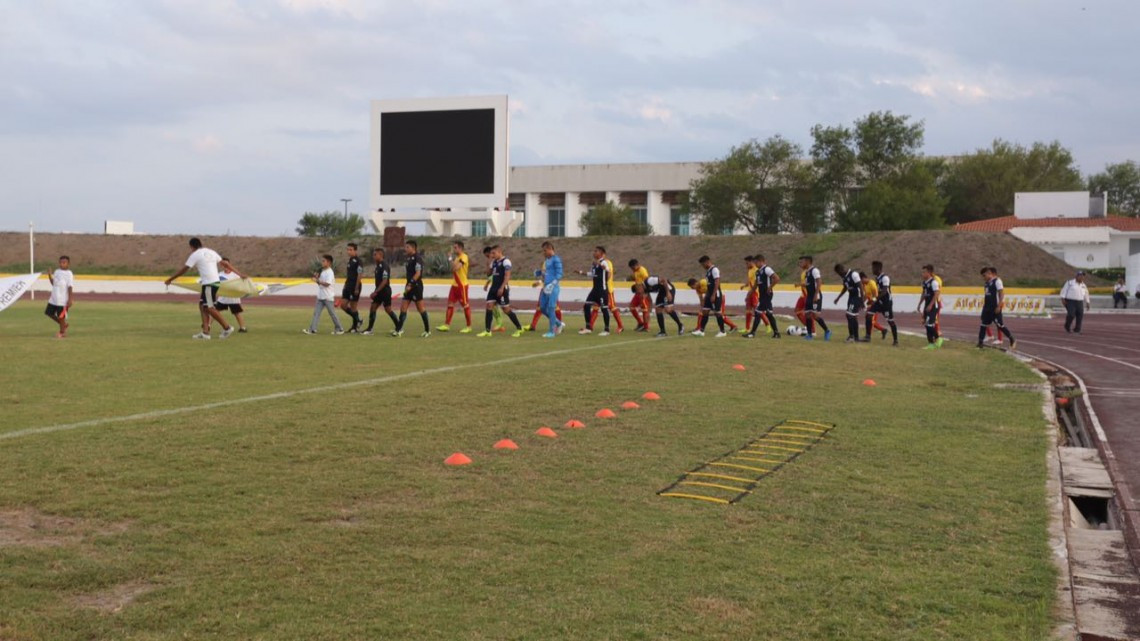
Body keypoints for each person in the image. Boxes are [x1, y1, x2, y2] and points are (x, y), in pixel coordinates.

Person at [164, 237, 242, 340]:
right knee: (202, 305)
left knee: (209, 307)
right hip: (213, 282)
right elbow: (226, 264)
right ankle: (205, 333)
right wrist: (240, 274)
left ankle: (227, 327)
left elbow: (184, 269)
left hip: (209, 283)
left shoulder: (195, 254)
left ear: (191, 247)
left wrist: (170, 279)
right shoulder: (211, 252)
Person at [478, 245, 525, 337]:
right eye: (491, 253)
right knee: (489, 306)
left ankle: (519, 328)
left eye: (493, 253)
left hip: (502, 289)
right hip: (493, 288)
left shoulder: (506, 261)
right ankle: (487, 331)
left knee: (506, 310)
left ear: (499, 252)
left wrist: (502, 287)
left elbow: (507, 276)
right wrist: (488, 263)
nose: (492, 255)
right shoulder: (494, 262)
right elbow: (488, 274)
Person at [392, 240, 431, 338]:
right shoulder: (409, 258)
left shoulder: (418, 258)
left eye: (407, 247)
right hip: (409, 285)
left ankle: (427, 330)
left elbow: (418, 273)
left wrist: (410, 284)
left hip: (416, 286)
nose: (405, 249)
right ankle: (398, 330)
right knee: (403, 307)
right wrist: (408, 285)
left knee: (420, 308)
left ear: (413, 248)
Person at [303, 254, 345, 335]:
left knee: (332, 313)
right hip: (321, 296)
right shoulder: (323, 271)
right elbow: (320, 284)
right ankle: (312, 329)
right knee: (316, 313)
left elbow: (327, 284)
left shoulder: (330, 272)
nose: (322, 262)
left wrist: (317, 280)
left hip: (327, 297)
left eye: (323, 261)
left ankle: (340, 329)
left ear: (328, 262)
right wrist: (317, 279)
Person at [437, 240, 473, 333]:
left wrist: (451, 260)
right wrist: (451, 260)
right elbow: (453, 268)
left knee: (465, 305)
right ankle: (446, 325)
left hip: (462, 285)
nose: (454, 249)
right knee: (450, 304)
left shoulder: (464, 257)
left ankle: (469, 326)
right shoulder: (457, 258)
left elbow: (456, 268)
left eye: (455, 247)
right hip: (454, 285)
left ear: (460, 248)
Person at [362, 247, 399, 335]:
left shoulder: (384, 265)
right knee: (373, 307)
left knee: (388, 310)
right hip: (379, 291)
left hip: (385, 291)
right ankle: (370, 329)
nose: (373, 256)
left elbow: (384, 281)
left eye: (375, 255)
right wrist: (376, 291)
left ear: (380, 255)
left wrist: (376, 292)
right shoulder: (378, 266)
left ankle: (399, 326)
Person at [578, 246, 614, 336]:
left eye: (596, 251)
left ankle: (606, 330)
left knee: (604, 308)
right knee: (586, 306)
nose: (594, 253)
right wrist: (581, 273)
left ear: (601, 253)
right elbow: (592, 274)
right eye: (594, 251)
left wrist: (600, 265)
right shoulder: (594, 264)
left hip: (602, 289)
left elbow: (608, 270)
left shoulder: (604, 262)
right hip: (595, 290)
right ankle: (588, 328)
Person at [979, 267, 1017, 350]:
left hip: (994, 308)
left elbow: (1001, 294)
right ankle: (980, 344)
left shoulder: (997, 281)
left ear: (989, 273)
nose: (983, 277)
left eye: (984, 275)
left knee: (1000, 325)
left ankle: (1012, 339)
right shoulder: (986, 283)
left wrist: (999, 306)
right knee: (983, 325)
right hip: (987, 308)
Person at [744, 253, 780, 339]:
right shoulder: (758, 272)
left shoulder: (767, 269)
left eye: (756, 262)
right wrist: (749, 294)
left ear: (761, 261)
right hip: (762, 295)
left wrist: (770, 287)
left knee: (757, 312)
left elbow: (777, 278)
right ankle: (776, 333)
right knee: (769, 314)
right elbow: (756, 285)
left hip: (767, 295)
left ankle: (752, 333)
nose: (755, 264)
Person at [534, 241, 564, 338]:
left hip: (553, 287)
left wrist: (553, 284)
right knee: (542, 308)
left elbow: (560, 274)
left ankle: (552, 331)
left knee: (551, 307)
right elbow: (547, 273)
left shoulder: (556, 259)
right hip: (546, 287)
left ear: (550, 249)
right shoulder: (547, 260)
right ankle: (558, 323)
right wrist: (538, 272)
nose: (543, 253)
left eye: (545, 250)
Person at [695, 255, 729, 338]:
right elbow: (709, 285)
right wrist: (707, 295)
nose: (703, 266)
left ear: (707, 262)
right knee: (705, 311)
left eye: (703, 264)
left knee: (717, 313)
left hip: (715, 294)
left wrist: (713, 295)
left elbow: (717, 282)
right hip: (709, 294)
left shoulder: (714, 270)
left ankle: (722, 331)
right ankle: (701, 331)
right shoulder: (708, 272)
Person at [799, 255, 830, 341]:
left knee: (815, 316)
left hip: (815, 296)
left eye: (802, 262)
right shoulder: (807, 272)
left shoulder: (814, 270)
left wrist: (816, 295)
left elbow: (819, 281)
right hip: (809, 296)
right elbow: (808, 283)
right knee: (807, 315)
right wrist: (801, 284)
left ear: (808, 262)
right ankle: (809, 335)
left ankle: (827, 331)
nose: (801, 264)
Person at [832, 264, 864, 343]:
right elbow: (845, 288)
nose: (839, 275)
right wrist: (838, 298)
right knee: (853, 317)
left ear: (842, 269)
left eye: (839, 273)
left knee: (849, 315)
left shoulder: (854, 274)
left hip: (856, 297)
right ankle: (856, 338)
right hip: (851, 297)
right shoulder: (844, 277)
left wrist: (862, 301)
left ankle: (851, 336)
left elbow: (861, 287)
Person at [869, 261, 898, 346]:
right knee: (868, 314)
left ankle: (896, 340)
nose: (872, 270)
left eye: (873, 268)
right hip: (879, 301)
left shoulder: (885, 278)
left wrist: (874, 299)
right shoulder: (877, 278)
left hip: (886, 303)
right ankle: (867, 337)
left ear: (878, 269)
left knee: (890, 321)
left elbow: (884, 292)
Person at [44, 255, 74, 338]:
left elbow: (70, 287)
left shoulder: (69, 274)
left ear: (68, 264)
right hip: (54, 299)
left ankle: (62, 332)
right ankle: (64, 325)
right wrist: (49, 275)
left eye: (64, 262)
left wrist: (70, 299)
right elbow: (53, 283)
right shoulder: (57, 271)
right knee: (49, 313)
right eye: (60, 262)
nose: (62, 264)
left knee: (61, 317)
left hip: (62, 300)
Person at [216, 259, 248, 333]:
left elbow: (242, 283)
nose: (225, 266)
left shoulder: (236, 275)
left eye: (227, 264)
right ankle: (208, 326)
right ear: (221, 266)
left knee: (237, 313)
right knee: (215, 312)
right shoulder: (219, 275)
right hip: (223, 298)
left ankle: (242, 328)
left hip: (233, 299)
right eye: (224, 265)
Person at [340, 243, 364, 333]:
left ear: (355, 250)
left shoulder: (358, 261)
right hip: (348, 285)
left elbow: (359, 275)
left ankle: (354, 327)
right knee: (343, 305)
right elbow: (349, 274)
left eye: (350, 250)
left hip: (354, 286)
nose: (348, 251)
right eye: (348, 249)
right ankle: (358, 320)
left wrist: (356, 288)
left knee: (353, 307)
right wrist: (345, 285)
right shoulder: (350, 260)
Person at [919, 264, 943, 349]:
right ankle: (932, 342)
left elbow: (936, 294)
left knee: (929, 324)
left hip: (933, 307)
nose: (922, 274)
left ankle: (936, 340)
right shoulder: (924, 283)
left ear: (929, 273)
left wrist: (930, 305)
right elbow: (924, 294)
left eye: (924, 272)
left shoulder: (934, 282)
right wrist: (919, 304)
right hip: (927, 305)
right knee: (926, 324)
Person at [482, 246, 505, 332]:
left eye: (488, 255)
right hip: (495, 286)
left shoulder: (499, 262)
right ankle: (500, 325)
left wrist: (487, 283)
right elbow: (489, 274)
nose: (489, 257)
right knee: (493, 305)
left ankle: (500, 324)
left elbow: (493, 275)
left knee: (501, 307)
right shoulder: (492, 262)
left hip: (500, 287)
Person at [627, 259, 652, 331]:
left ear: (637, 265)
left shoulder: (642, 270)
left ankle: (646, 327)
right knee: (631, 307)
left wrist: (646, 293)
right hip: (637, 294)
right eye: (631, 268)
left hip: (643, 294)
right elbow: (637, 279)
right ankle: (640, 323)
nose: (632, 269)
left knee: (645, 309)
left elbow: (648, 281)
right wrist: (631, 278)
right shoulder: (636, 271)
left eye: (633, 268)